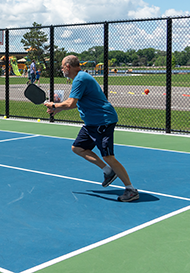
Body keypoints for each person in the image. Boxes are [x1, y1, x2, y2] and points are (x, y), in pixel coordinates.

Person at [44, 55, 139, 202]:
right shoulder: (80, 78)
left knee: (108, 156)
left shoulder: (80, 79)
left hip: (102, 121)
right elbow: (75, 103)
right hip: (91, 123)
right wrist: (57, 110)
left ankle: (131, 190)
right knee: (77, 148)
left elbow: (70, 103)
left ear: (68, 67)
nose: (62, 69)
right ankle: (108, 171)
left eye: (62, 67)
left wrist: (54, 105)